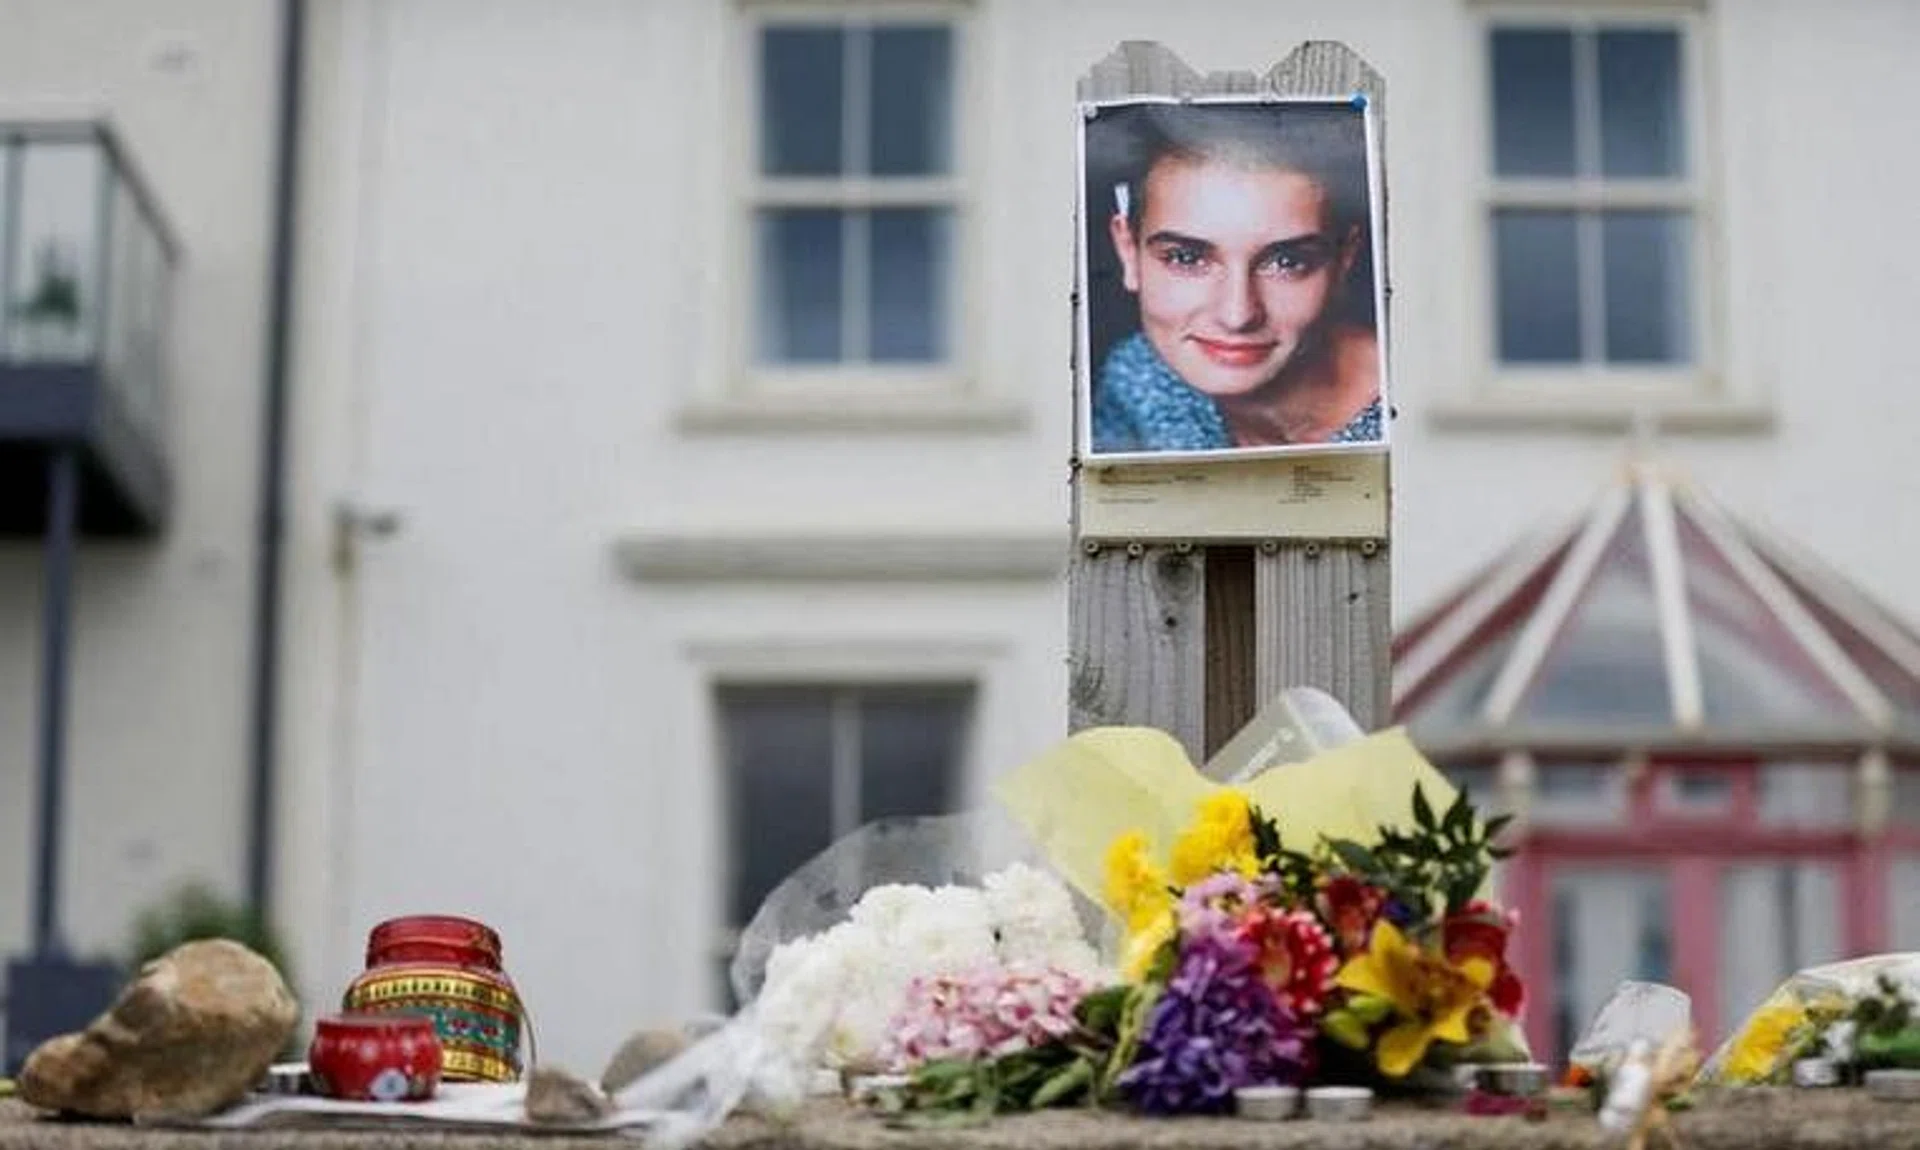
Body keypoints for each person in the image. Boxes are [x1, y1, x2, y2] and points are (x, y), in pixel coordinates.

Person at [1089, 103, 1383, 454]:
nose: (1237, 316)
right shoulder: (1138, 377)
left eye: (1286, 262)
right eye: (1186, 258)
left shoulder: (1409, 408)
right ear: (1128, 251)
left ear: (1344, 260)